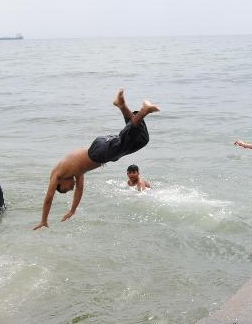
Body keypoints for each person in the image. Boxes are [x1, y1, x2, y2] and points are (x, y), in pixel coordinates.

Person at [34, 89, 159, 230]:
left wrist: (44, 220)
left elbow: (48, 198)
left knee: (125, 140)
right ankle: (122, 105)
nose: (70, 188)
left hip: (98, 152)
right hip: (101, 148)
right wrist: (72, 210)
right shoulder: (76, 172)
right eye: (69, 190)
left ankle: (143, 111)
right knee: (140, 140)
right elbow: (79, 190)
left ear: (60, 184)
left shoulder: (57, 175)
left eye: (65, 189)